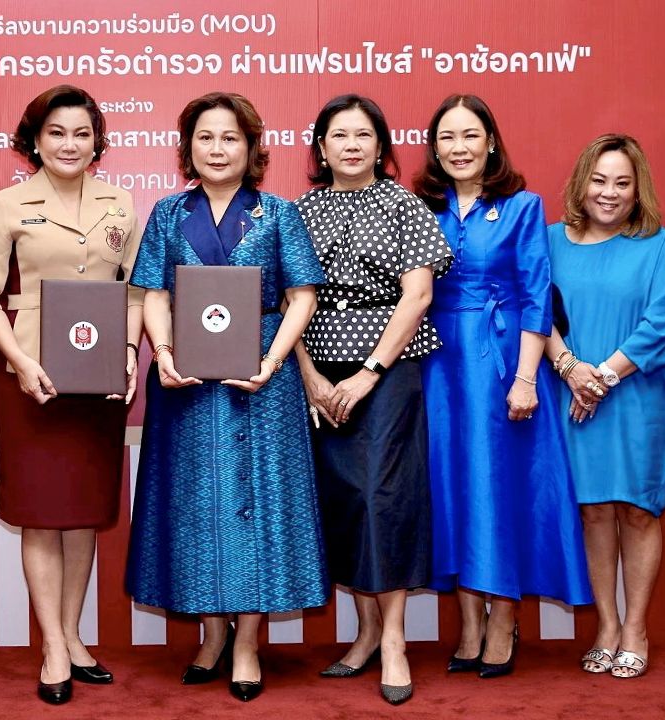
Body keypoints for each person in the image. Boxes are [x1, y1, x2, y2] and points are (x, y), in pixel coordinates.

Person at [125, 92, 328, 703]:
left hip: (261, 379)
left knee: (256, 502)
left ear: (252, 148)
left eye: (230, 138)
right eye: (206, 137)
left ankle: (246, 644)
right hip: (185, 378)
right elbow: (154, 295)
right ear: (188, 147)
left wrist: (269, 362)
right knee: (196, 505)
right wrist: (163, 355)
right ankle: (211, 636)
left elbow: (302, 297)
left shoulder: (278, 214)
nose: (217, 149)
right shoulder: (166, 213)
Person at [0, 85, 142, 706]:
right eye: (56, 133)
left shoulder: (121, 203)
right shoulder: (9, 204)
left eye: (81, 133)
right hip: (32, 378)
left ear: (96, 141)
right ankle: (51, 644)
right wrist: (18, 361)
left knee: (82, 515)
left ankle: (73, 637)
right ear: (34, 141)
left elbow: (131, 293)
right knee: (43, 515)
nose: (69, 144)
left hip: (98, 381)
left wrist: (128, 353)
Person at [415, 94, 592, 678]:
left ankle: (503, 620)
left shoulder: (521, 206)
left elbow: (536, 296)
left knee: (497, 488)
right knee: (451, 488)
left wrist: (524, 378)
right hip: (438, 367)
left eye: (470, 135)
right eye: (446, 137)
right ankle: (468, 622)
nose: (458, 148)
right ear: (434, 147)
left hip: (503, 365)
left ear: (490, 142)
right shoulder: (420, 207)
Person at [293, 94, 450, 705]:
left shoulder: (403, 205)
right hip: (315, 368)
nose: (351, 145)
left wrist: (367, 373)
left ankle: (393, 641)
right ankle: (361, 634)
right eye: (339, 134)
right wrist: (307, 374)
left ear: (381, 146)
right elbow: (288, 300)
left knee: (383, 496)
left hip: (387, 368)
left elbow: (417, 297)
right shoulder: (298, 210)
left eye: (363, 134)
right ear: (322, 147)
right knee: (343, 500)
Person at [544, 134, 665, 679]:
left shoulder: (660, 246)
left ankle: (636, 627)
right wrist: (571, 371)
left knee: (635, 509)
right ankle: (607, 624)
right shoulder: (548, 242)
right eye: (600, 179)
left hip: (636, 397)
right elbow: (535, 315)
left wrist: (603, 377)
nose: (609, 193)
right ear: (582, 181)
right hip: (571, 395)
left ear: (638, 191)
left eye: (622, 183)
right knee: (592, 510)